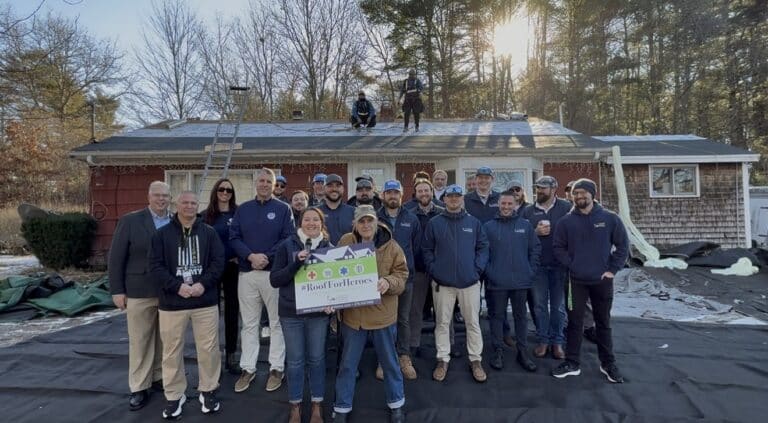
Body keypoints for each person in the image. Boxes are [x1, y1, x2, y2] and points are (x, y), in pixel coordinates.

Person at [148, 191, 225, 419]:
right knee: (171, 352)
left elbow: (218, 262)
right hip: (173, 303)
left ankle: (208, 390)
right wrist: (176, 286)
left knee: (209, 349)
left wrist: (203, 284)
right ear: (177, 205)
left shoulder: (209, 233)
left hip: (204, 301)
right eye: (185, 202)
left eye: (193, 203)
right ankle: (174, 395)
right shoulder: (162, 235)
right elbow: (156, 266)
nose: (189, 206)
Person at [334, 205, 408, 423]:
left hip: (382, 317)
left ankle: (396, 404)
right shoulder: (346, 242)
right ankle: (342, 407)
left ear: (377, 222)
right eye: (361, 221)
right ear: (355, 224)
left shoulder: (391, 245)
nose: (366, 225)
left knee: (390, 364)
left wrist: (388, 282)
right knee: (347, 365)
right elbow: (332, 273)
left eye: (370, 221)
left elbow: (402, 275)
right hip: (353, 318)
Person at [552, 178, 629, 383]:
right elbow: (558, 247)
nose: (579, 196)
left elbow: (623, 246)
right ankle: (572, 363)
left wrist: (612, 269)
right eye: (576, 193)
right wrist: (572, 264)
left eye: (583, 192)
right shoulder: (566, 222)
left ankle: (608, 363)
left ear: (592, 195)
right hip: (575, 281)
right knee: (575, 323)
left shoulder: (610, 218)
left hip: (601, 281)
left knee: (603, 323)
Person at [230, 168, 294, 393]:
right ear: (256, 183)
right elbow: (234, 237)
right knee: (249, 324)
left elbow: (288, 238)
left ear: (274, 185)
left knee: (276, 323)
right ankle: (248, 368)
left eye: (269, 181)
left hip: (273, 274)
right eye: (261, 180)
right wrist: (250, 256)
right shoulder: (243, 210)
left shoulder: (283, 209)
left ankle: (276, 368)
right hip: (247, 273)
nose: (265, 184)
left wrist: (266, 256)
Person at [108, 181, 170, 411]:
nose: (161, 199)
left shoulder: (174, 221)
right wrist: (117, 290)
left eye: (165, 195)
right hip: (138, 290)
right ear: (149, 196)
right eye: (157, 195)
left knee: (164, 340)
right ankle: (139, 386)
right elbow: (116, 258)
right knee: (140, 340)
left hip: (167, 292)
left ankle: (158, 377)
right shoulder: (131, 220)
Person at [270, 207, 333, 423]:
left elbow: (335, 285)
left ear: (322, 224)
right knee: (295, 361)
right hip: (291, 313)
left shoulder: (330, 249)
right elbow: (275, 280)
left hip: (318, 315)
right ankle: (295, 405)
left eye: (316, 219)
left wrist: (332, 302)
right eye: (307, 219)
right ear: (300, 222)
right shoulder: (286, 246)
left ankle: (317, 404)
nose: (311, 223)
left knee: (317, 359)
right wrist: (296, 262)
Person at [423, 184, 489, 383]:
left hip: (469, 282)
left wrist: (477, 270)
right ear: (444, 200)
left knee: (473, 323)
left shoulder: (474, 223)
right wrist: (435, 270)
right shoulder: (435, 223)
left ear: (462, 199)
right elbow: (426, 250)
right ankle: (443, 359)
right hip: (443, 284)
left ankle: (475, 360)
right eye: (449, 196)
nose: (453, 199)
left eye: (457, 196)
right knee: (442, 323)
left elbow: (483, 247)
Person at [484, 190, 540, 372]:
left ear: (516, 205)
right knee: (497, 318)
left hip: (521, 282)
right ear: (498, 204)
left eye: (510, 204)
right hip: (497, 282)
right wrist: (490, 272)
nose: (506, 207)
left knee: (521, 318)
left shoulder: (525, 225)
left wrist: (530, 271)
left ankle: (522, 352)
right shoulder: (488, 227)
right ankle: (497, 351)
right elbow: (482, 252)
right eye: (503, 204)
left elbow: (535, 249)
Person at [521, 176, 572, 360]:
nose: (539, 191)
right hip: (538, 266)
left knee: (558, 307)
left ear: (554, 189)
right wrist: (534, 232)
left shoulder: (566, 208)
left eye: (543, 188)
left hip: (560, 266)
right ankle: (543, 340)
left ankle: (557, 342)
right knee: (540, 306)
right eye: (537, 188)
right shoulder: (527, 211)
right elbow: (521, 236)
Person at [463, 167, 513, 347]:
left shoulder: (499, 199)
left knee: (497, 300)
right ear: (475, 180)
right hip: (472, 256)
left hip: (495, 256)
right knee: (472, 302)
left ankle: (502, 334)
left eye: (487, 178)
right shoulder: (466, 200)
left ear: (492, 179)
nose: (483, 181)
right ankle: (473, 338)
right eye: (480, 178)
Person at [376, 180, 420, 381]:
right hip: (381, 280)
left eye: (396, 192)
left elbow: (417, 247)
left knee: (403, 318)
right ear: (383, 195)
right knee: (385, 320)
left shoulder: (411, 218)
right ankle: (384, 358)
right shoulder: (375, 218)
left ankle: (404, 356)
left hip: (405, 277)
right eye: (389, 192)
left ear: (401, 195)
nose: (392, 196)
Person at [203, 179, 241, 374]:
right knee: (211, 313)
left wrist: (240, 256)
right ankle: (213, 355)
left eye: (229, 190)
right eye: (221, 189)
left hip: (233, 267)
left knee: (233, 312)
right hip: (212, 269)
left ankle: (231, 355)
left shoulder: (239, 213)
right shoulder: (206, 216)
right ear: (215, 191)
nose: (225, 192)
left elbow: (245, 236)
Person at [319, 174, 355, 245]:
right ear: (323, 189)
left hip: (349, 254)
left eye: (338, 186)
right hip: (322, 254)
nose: (334, 189)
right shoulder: (315, 212)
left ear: (343, 189)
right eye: (330, 186)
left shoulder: (353, 212)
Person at [398, 69, 424, 133]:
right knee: (406, 113)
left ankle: (416, 126)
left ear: (414, 74)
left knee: (416, 113)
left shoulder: (417, 81)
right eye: (410, 74)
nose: (411, 75)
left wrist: (418, 91)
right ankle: (406, 127)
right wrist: (399, 99)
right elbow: (402, 91)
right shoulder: (406, 81)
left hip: (416, 99)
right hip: (408, 100)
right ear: (409, 74)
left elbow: (421, 88)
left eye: (413, 74)